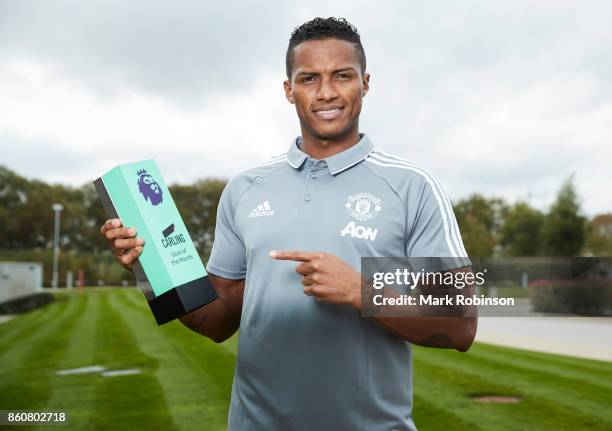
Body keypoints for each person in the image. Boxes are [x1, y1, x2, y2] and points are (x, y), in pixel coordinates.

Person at [100, 17, 477, 430]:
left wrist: (361, 290)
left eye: (343, 76)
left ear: (365, 83)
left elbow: (460, 326)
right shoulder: (246, 188)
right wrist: (151, 266)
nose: (327, 92)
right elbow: (219, 320)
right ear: (288, 90)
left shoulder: (412, 186)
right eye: (309, 78)